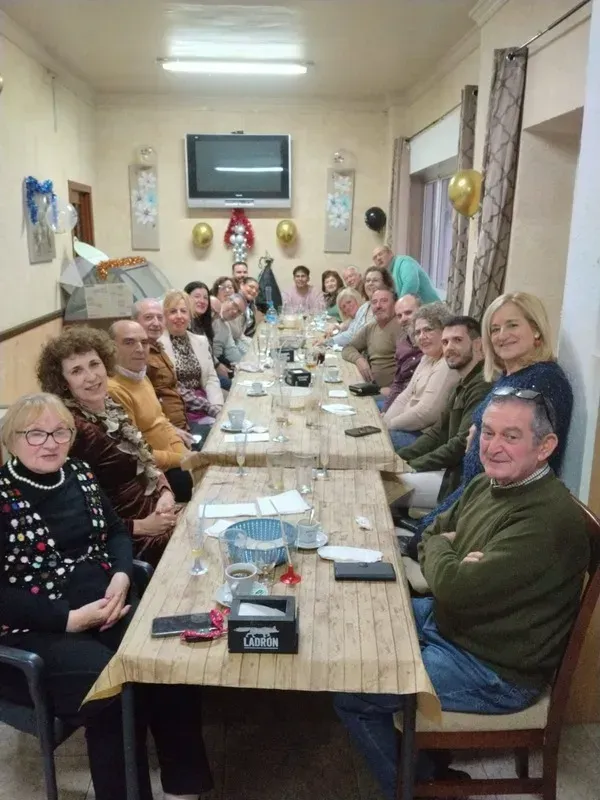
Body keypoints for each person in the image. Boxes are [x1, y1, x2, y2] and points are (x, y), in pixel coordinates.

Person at [335, 390, 589, 800]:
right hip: (456, 626)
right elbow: (433, 535)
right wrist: (448, 550)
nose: (493, 446)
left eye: (511, 436)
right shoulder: (491, 483)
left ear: (546, 447)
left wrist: (444, 553)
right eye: (487, 432)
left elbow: (451, 586)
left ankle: (414, 788)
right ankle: (429, 770)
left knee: (353, 687)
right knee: (363, 618)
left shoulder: (543, 519)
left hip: (493, 669)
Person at [0, 393, 214, 800]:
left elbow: (116, 532)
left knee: (171, 659)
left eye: (60, 431)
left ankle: (184, 786)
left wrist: (119, 573)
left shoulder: (79, 473)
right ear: (11, 440)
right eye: (35, 434)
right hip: (36, 631)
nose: (50, 442)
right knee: (112, 686)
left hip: (108, 604)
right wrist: (68, 619)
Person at [407, 291, 574, 557]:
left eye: (512, 325)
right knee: (411, 542)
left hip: (500, 508)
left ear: (536, 330)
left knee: (415, 547)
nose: (501, 334)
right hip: (475, 492)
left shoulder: (543, 380)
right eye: (494, 329)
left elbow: (525, 460)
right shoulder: (510, 376)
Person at [36, 327, 178, 566]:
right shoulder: (73, 430)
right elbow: (73, 516)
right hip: (129, 538)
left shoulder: (109, 405)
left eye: (94, 364)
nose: (91, 376)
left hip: (158, 513)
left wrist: (165, 492)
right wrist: (142, 526)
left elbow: (145, 458)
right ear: (63, 382)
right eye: (77, 371)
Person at [396, 316, 491, 509]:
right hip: (446, 470)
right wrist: (399, 458)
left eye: (457, 340)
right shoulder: (461, 382)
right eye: (445, 342)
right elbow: (437, 433)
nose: (449, 348)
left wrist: (410, 466)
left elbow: (459, 445)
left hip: (457, 482)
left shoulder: (482, 385)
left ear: (478, 344)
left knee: (382, 485)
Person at [107, 320, 193, 503]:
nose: (140, 348)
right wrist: (182, 459)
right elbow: (137, 452)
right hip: (153, 474)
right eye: (129, 342)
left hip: (172, 459)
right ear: (111, 347)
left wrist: (184, 453)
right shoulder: (114, 389)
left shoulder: (140, 376)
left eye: (144, 342)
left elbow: (162, 421)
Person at [383, 303, 459, 450]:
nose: (422, 337)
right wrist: (385, 421)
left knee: (373, 440)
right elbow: (405, 395)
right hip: (407, 425)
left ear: (444, 330)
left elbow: (426, 413)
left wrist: (388, 425)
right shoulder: (427, 358)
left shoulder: (447, 363)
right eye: (417, 332)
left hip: (424, 436)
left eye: (428, 330)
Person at [160, 290, 224, 429]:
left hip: (206, 404)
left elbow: (211, 378)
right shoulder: (158, 344)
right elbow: (172, 387)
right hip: (180, 409)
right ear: (164, 316)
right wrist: (211, 409)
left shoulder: (200, 341)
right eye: (173, 312)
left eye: (183, 311)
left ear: (190, 316)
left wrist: (217, 407)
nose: (179, 316)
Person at [342, 288, 401, 390]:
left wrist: (392, 390)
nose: (378, 306)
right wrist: (359, 360)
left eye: (384, 301)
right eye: (374, 302)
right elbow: (348, 348)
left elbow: (410, 369)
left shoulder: (401, 327)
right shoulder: (371, 327)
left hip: (390, 393)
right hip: (371, 388)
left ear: (395, 304)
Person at [380, 294, 423, 409]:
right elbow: (398, 383)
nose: (403, 318)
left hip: (418, 404)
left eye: (408, 313)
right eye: (399, 316)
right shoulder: (402, 343)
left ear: (422, 311)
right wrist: (386, 409)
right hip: (400, 398)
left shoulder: (431, 343)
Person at [373, 246, 439, 304]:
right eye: (375, 257)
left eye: (380, 254)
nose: (378, 258)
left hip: (431, 311)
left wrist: (398, 306)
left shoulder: (404, 261)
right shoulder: (387, 274)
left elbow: (411, 284)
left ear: (390, 253)